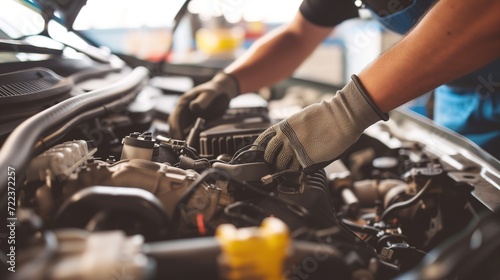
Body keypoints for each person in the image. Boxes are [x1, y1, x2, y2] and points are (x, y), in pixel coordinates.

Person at [168, 0, 500, 173]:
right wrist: (228, 82)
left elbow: (485, 12)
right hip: (462, 95)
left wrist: (345, 111)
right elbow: (299, 34)